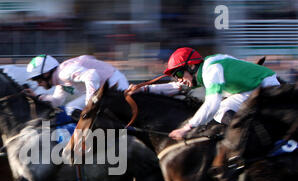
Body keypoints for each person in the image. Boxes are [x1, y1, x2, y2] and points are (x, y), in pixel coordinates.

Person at [131, 47, 281, 140]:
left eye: (178, 73)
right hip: (254, 87)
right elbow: (177, 87)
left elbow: (212, 103)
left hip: (264, 86)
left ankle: (253, 137)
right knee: (222, 108)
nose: (179, 79)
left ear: (190, 66)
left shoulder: (211, 70)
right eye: (175, 76)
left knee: (219, 109)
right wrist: (144, 89)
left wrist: (187, 128)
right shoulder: (205, 69)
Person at [25, 54, 129, 117]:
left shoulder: (64, 73)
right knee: (70, 108)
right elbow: (57, 101)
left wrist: (90, 102)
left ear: (46, 74)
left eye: (37, 79)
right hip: (104, 89)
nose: (38, 83)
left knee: (73, 108)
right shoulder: (60, 81)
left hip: (115, 83)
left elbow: (91, 75)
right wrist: (37, 97)